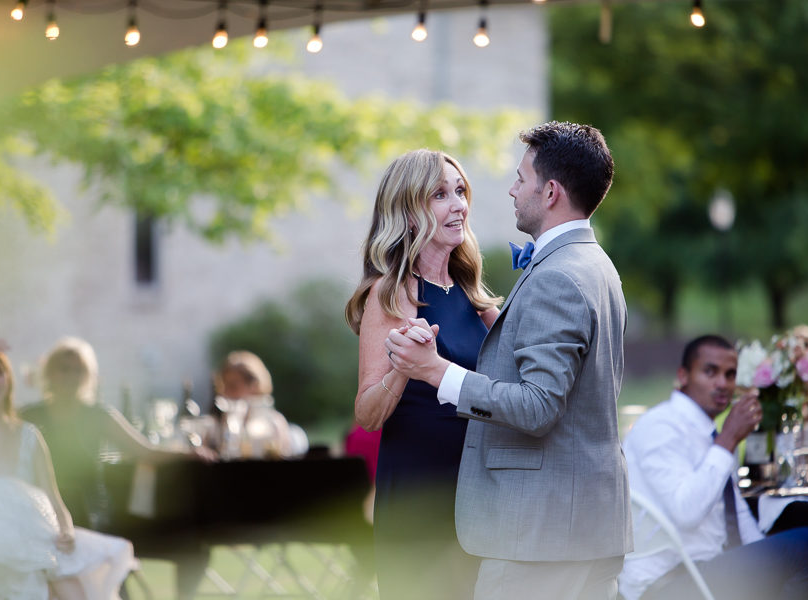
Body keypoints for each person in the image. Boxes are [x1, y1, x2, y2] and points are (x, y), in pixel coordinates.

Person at [387, 121, 630, 600]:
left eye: (521, 179)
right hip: (591, 527)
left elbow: (538, 407)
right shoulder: (597, 264)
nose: (512, 190)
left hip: (541, 537)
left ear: (551, 191)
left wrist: (435, 370)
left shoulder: (557, 276)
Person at [345, 148, 501, 599]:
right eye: (439, 194)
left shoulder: (474, 294)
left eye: (460, 191)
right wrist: (402, 366)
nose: (458, 205)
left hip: (477, 494)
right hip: (419, 494)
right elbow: (367, 415)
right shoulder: (390, 294)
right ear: (409, 213)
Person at [619, 334, 808, 600]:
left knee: (804, 545)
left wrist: (767, 559)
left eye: (730, 375)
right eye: (710, 372)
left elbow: (737, 515)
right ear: (683, 376)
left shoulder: (709, 433)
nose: (722, 383)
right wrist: (728, 439)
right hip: (666, 583)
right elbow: (686, 511)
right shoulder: (660, 426)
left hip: (710, 568)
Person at [19, 336, 211, 600]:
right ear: (50, 373)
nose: (71, 375)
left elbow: (145, 451)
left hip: (90, 510)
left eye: (78, 369)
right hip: (40, 511)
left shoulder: (99, 415)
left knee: (105, 582)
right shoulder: (28, 416)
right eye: (64, 368)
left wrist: (189, 453)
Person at [0, 338, 135, 600]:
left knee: (72, 590)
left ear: (8, 377)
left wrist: (65, 530)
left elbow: (54, 501)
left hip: (34, 543)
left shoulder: (28, 436)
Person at [211, 350, 307, 459]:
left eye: (233, 386)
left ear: (254, 385)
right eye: (224, 387)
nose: (226, 393)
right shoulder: (220, 424)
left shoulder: (274, 423)